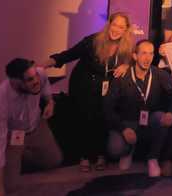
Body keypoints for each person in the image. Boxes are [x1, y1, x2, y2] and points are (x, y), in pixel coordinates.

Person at [43, 12, 133, 171]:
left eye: (121, 27)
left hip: (105, 86)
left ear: (126, 30)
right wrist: (45, 64)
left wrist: (126, 65)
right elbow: (69, 54)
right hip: (83, 83)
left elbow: (133, 61)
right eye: (114, 25)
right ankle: (84, 156)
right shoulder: (93, 40)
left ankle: (100, 155)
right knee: (84, 118)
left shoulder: (126, 47)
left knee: (102, 117)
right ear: (109, 24)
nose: (116, 29)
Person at [104, 40, 172, 178]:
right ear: (135, 56)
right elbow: (107, 107)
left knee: (161, 117)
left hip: (149, 121)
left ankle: (153, 158)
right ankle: (128, 151)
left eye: (151, 54)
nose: (147, 58)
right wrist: (123, 129)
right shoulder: (122, 76)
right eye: (143, 53)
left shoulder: (159, 74)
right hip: (127, 123)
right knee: (115, 148)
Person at [0, 59, 62, 196]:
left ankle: (21, 157)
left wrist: (50, 102)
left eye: (36, 75)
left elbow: (44, 84)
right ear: (15, 82)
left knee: (54, 161)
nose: (36, 81)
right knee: (9, 186)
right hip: (14, 136)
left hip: (37, 126)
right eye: (30, 79)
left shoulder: (39, 74)